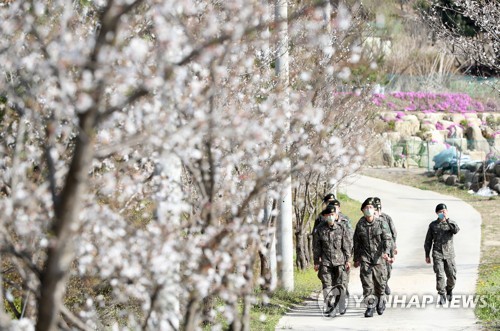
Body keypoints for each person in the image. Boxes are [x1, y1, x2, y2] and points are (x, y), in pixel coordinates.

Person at [353, 198, 392, 317]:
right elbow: (356, 242)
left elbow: (387, 239)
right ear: (363, 211)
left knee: (380, 284)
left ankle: (381, 301)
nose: (369, 210)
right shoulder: (360, 224)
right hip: (366, 259)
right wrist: (356, 258)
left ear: (374, 209)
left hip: (379, 258)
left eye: (370, 208)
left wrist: (386, 253)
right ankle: (370, 306)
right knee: (367, 284)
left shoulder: (381, 223)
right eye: (366, 208)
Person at [313, 206, 352, 316]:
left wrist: (348, 260)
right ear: (325, 216)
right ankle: (329, 306)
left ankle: (341, 303)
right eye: (328, 215)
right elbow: (316, 247)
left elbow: (347, 245)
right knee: (327, 285)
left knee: (340, 284)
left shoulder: (342, 228)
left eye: (332, 215)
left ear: (336, 216)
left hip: (340, 262)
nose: (330, 217)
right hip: (326, 262)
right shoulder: (320, 229)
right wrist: (316, 261)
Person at [424, 203, 460, 305]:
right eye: (440, 212)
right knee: (440, 275)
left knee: (452, 277)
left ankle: (449, 289)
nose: (442, 213)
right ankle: (442, 294)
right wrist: (427, 254)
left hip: (449, 254)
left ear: (447, 212)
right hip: (437, 253)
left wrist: (447, 220)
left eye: (444, 211)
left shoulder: (451, 223)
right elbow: (428, 240)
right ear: (436, 213)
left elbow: (456, 230)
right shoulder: (433, 225)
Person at [327, 199, 353, 314]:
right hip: (327, 260)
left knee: (342, 282)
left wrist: (349, 258)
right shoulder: (322, 221)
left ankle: (341, 302)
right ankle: (331, 305)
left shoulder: (344, 222)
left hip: (341, 259)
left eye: (336, 208)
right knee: (329, 284)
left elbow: (349, 239)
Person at [373, 197, 397, 295]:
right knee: (379, 270)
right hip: (377, 249)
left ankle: (385, 282)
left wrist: (394, 246)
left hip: (388, 247)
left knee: (388, 269)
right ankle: (380, 287)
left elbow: (393, 233)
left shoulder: (386, 218)